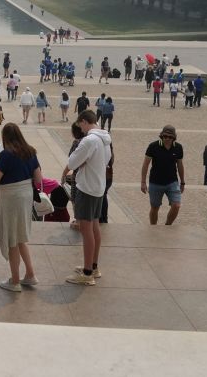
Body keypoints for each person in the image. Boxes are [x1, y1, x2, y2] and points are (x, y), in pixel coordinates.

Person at [0, 123, 42, 291]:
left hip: (11, 197)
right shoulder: (31, 151)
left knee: (12, 238)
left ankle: (15, 281)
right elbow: (38, 178)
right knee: (20, 236)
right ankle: (30, 274)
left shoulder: (6, 155)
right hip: (26, 194)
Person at [63, 110, 112, 285]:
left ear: (84, 122)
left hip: (87, 188)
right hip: (98, 187)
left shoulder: (90, 140)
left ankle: (87, 273)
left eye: (80, 126)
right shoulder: (105, 138)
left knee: (86, 230)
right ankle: (94, 266)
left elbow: (72, 162)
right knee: (95, 227)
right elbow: (106, 161)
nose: (81, 130)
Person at [141, 125, 185, 225]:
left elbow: (180, 165)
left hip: (172, 182)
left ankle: (167, 226)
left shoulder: (178, 147)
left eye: (170, 137)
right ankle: (153, 227)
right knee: (155, 207)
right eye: (165, 136)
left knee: (176, 205)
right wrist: (143, 182)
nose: (167, 139)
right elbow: (145, 164)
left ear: (174, 137)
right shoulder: (153, 146)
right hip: (155, 182)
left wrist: (182, 182)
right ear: (161, 136)